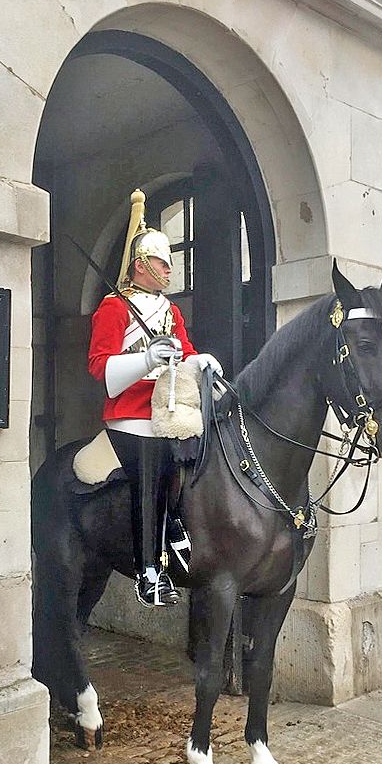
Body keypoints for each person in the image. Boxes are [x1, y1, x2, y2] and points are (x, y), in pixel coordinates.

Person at [88, 189, 222, 606]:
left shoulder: (170, 310)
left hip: (167, 411)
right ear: (141, 264)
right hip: (129, 414)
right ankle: (148, 570)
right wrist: (146, 357)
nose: (169, 268)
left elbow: (184, 348)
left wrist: (202, 362)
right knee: (150, 467)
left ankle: (179, 524)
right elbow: (99, 367)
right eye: (163, 261)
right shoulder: (114, 308)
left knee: (203, 454)